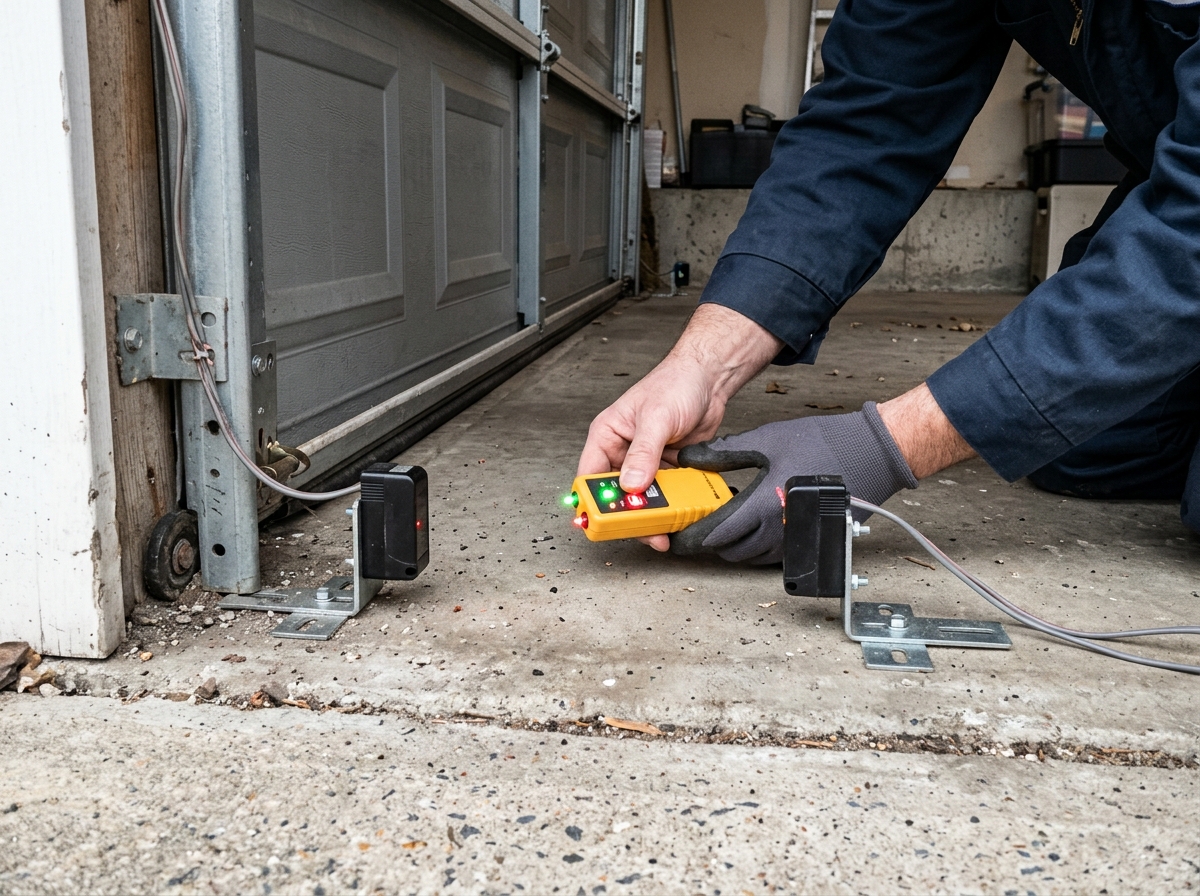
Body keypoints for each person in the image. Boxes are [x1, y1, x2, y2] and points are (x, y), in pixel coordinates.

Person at [577, 0, 1200, 565]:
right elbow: (872, 115)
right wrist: (702, 365)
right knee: (1093, 444)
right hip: (1174, 173)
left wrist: (880, 447)